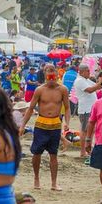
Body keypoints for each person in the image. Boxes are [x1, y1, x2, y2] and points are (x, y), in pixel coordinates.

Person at [21, 63, 70, 191]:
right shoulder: (40, 90)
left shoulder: (63, 89)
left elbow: (68, 107)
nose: (51, 74)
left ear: (56, 73)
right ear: (45, 74)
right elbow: (31, 108)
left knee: (53, 154)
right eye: (48, 71)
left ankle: (54, 183)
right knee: (36, 153)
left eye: (52, 71)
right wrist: (22, 125)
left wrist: (67, 123)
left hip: (55, 124)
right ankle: (36, 178)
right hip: (41, 124)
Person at [72, 66, 102, 153]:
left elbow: (97, 86)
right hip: (85, 109)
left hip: (91, 108)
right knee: (85, 130)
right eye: (87, 71)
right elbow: (90, 90)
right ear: (81, 72)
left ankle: (87, 150)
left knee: (91, 130)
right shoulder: (79, 80)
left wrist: (101, 81)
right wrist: (100, 82)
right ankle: (82, 152)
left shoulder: (85, 80)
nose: (89, 72)